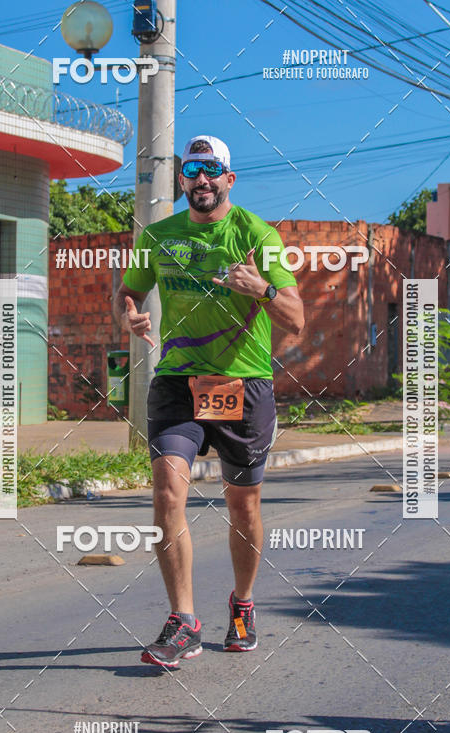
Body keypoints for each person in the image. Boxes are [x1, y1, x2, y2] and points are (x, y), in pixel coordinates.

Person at [114, 135, 304, 667]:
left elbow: (296, 318)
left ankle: (242, 605)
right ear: (181, 180)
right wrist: (129, 316)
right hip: (178, 381)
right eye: (192, 170)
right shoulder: (157, 236)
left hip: (243, 385)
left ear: (229, 179)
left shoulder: (257, 236)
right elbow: (128, 292)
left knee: (242, 504)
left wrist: (261, 290)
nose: (201, 180)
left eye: (211, 170)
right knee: (166, 490)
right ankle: (185, 622)